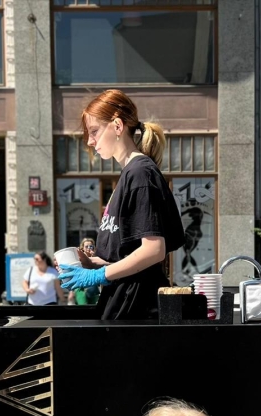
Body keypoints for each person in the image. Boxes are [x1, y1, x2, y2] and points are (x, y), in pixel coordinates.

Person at [58, 89, 185, 320]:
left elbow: (154, 250)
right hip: (124, 300)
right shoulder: (130, 174)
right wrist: (89, 264)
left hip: (137, 305)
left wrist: (98, 275)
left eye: (94, 131)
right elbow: (124, 255)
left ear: (117, 126)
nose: (90, 141)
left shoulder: (140, 173)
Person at [73, 238, 101, 306]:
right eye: (86, 246)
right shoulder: (79, 259)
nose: (89, 248)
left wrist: (93, 257)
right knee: (83, 307)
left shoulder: (97, 258)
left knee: (93, 308)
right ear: (82, 248)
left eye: (91, 246)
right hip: (81, 287)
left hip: (93, 287)